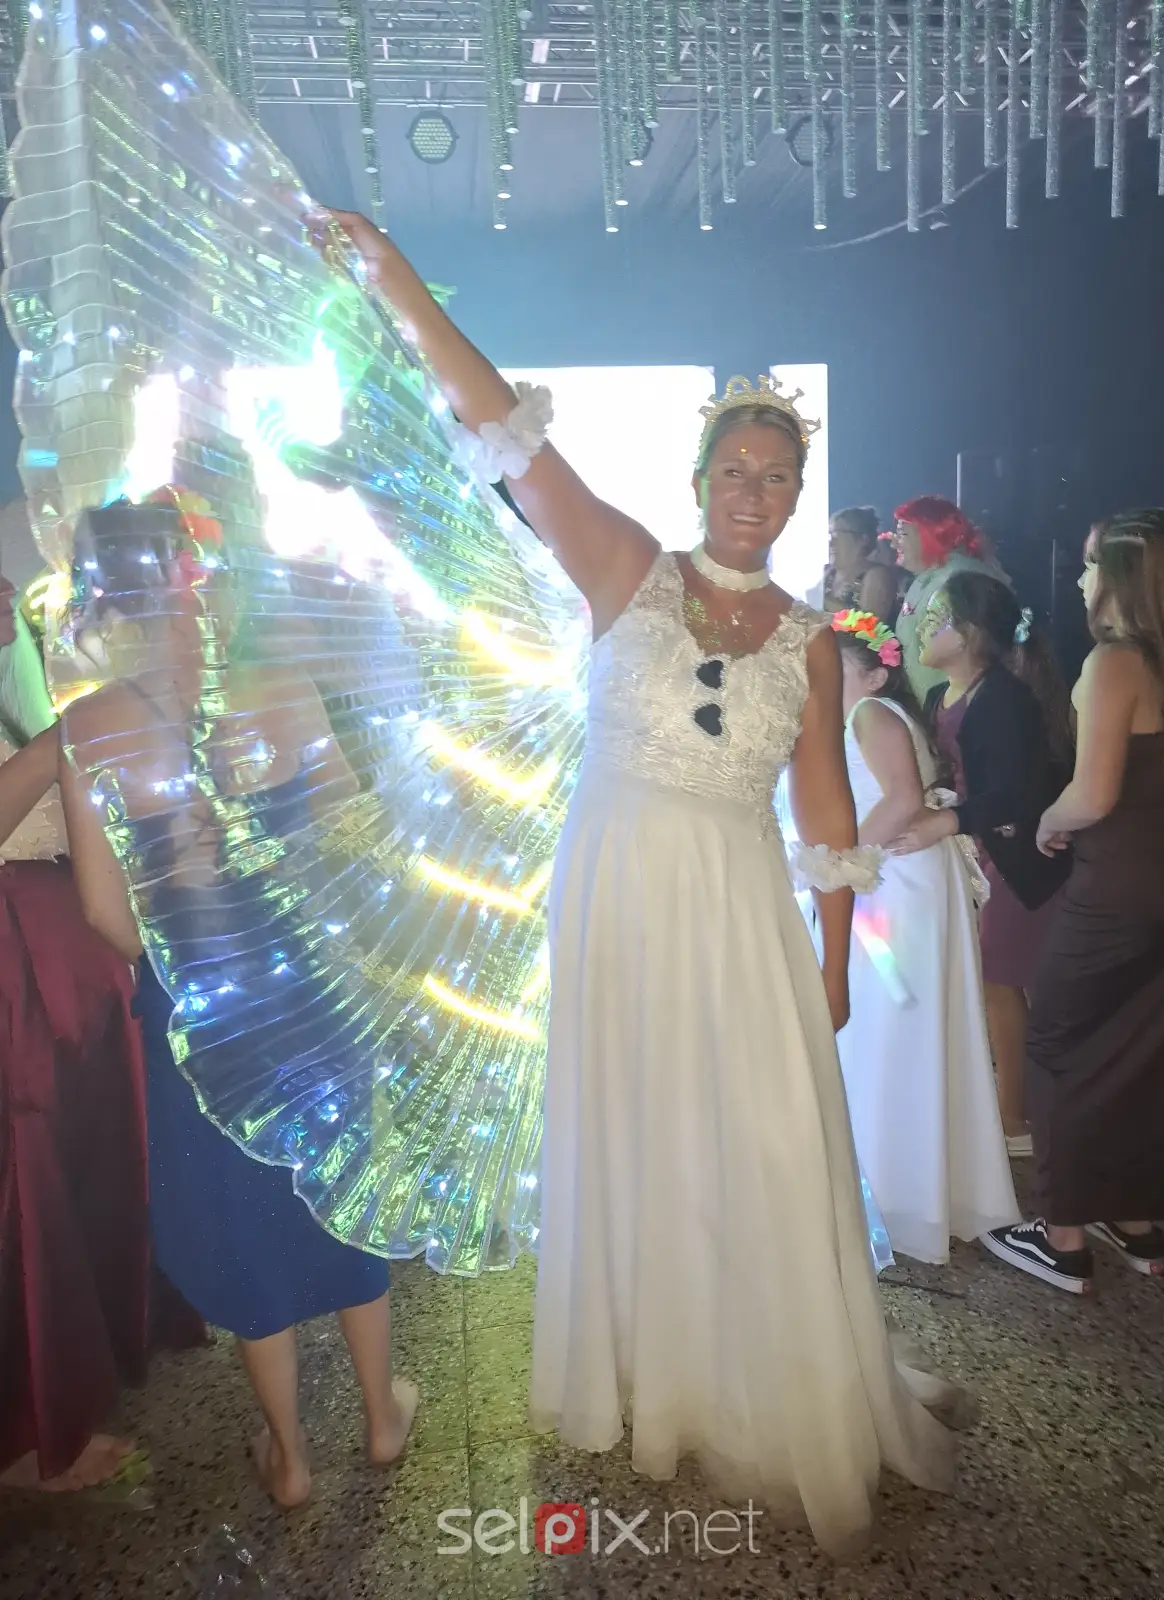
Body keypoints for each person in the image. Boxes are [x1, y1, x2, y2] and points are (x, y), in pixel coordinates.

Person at [315, 208, 958, 1558]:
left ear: (797, 494)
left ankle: (765, 1367)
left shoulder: (813, 643)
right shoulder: (627, 567)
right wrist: (395, 281)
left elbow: (826, 813)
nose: (752, 491)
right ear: (701, 476)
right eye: (735, 468)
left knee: (761, 1142)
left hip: (740, 917)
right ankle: (653, 1371)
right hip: (616, 901)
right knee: (639, 1129)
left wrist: (834, 961)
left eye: (777, 476)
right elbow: (505, 429)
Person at [57, 497, 419, 1508]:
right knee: (342, 1189)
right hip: (311, 993)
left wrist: (187, 934)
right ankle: (381, 1416)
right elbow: (350, 830)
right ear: (193, 577)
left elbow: (104, 913)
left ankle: (291, 1457)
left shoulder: (87, 728)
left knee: (243, 1214)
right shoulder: (282, 686)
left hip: (200, 1014)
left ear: (100, 599)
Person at [0, 564, 205, 1494]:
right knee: (30, 1181)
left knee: (88, 1164)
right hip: (18, 972)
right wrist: (64, 738)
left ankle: (101, 1350)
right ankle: (31, 1430)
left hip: (64, 961)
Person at [984, 511, 1164, 1294]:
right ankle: (1136, 1222)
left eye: (1088, 565)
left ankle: (1063, 1236)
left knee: (1057, 1044)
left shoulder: (1115, 663)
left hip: (1117, 889)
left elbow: (1093, 794)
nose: (1079, 580)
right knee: (1138, 1051)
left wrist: (1049, 819)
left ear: (1120, 577)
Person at [831, 609, 1017, 1264]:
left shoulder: (867, 715)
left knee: (890, 1028)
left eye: (835, 666)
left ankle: (893, 1195)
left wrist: (837, 863)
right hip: (903, 882)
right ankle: (907, 1188)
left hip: (893, 889)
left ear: (874, 675)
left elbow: (903, 799)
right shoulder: (873, 715)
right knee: (900, 1030)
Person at [893, 573, 1073, 1152]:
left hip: (1019, 862)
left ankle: (1019, 1118)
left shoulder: (1002, 698)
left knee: (1010, 983)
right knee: (999, 982)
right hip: (981, 856)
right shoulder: (937, 697)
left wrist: (950, 819)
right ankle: (1021, 1108)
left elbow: (1021, 791)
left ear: (969, 632)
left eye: (936, 617)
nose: (922, 626)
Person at [892, 496, 1006, 702]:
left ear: (929, 533)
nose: (894, 542)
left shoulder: (962, 578)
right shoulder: (926, 576)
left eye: (903, 534)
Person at [824, 507, 899, 624]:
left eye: (837, 534)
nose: (831, 542)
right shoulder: (829, 573)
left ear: (862, 539)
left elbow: (870, 626)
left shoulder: (876, 575)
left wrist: (821, 601)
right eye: (830, 535)